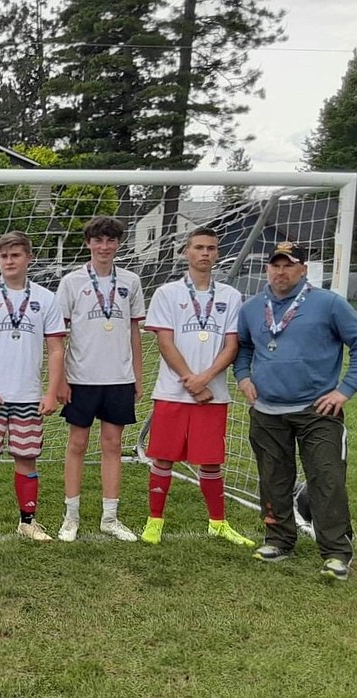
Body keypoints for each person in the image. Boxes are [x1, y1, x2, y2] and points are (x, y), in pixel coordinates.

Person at [233, 241, 357, 581]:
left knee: (326, 479)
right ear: (267, 268)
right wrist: (243, 377)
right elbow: (242, 348)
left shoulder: (329, 304)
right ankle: (279, 540)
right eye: (275, 265)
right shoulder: (253, 307)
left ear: (302, 269)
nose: (280, 271)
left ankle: (335, 552)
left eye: (288, 265)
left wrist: (344, 390)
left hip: (317, 410)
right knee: (273, 479)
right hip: (267, 410)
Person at [140, 228, 253, 547]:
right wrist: (191, 378)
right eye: (199, 247)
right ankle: (154, 522)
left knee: (211, 461)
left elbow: (232, 345)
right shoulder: (167, 293)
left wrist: (205, 379)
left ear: (218, 254)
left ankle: (217, 523)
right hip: (172, 392)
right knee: (163, 458)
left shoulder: (231, 296)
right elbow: (164, 342)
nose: (205, 253)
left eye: (211, 248)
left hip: (212, 395)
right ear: (186, 252)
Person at [0, 232, 65, 544]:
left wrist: (50, 391)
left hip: (28, 396)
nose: (9, 261)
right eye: (4, 256)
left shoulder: (46, 298)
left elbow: (57, 349)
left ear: (28, 258)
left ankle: (27, 522)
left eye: (15, 255)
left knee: (27, 458)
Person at [55, 216, 144, 542]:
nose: (104, 247)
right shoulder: (72, 282)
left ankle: (110, 517)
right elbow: (57, 335)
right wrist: (61, 378)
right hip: (81, 376)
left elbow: (134, 330)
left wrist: (137, 373)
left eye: (110, 241)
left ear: (118, 244)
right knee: (77, 444)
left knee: (113, 445)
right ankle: (71, 516)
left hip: (118, 377)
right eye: (98, 241)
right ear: (89, 243)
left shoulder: (131, 281)